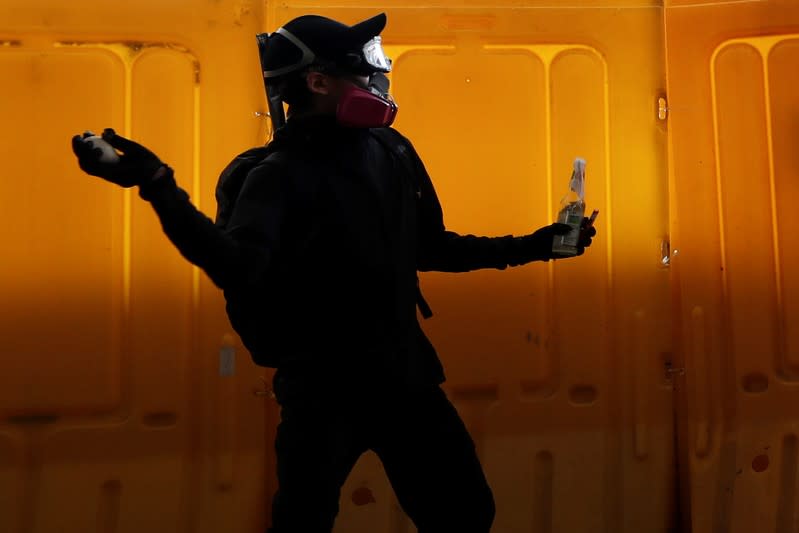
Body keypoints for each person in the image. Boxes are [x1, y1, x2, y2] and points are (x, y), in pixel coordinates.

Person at [72, 12, 595, 533]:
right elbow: (235, 265)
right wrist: (158, 184)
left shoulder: (393, 150)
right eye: (363, 66)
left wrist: (543, 244)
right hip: (321, 392)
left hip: (403, 377)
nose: (377, 75)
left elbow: (430, 247)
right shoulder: (274, 175)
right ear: (318, 81)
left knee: (466, 514)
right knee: (305, 523)